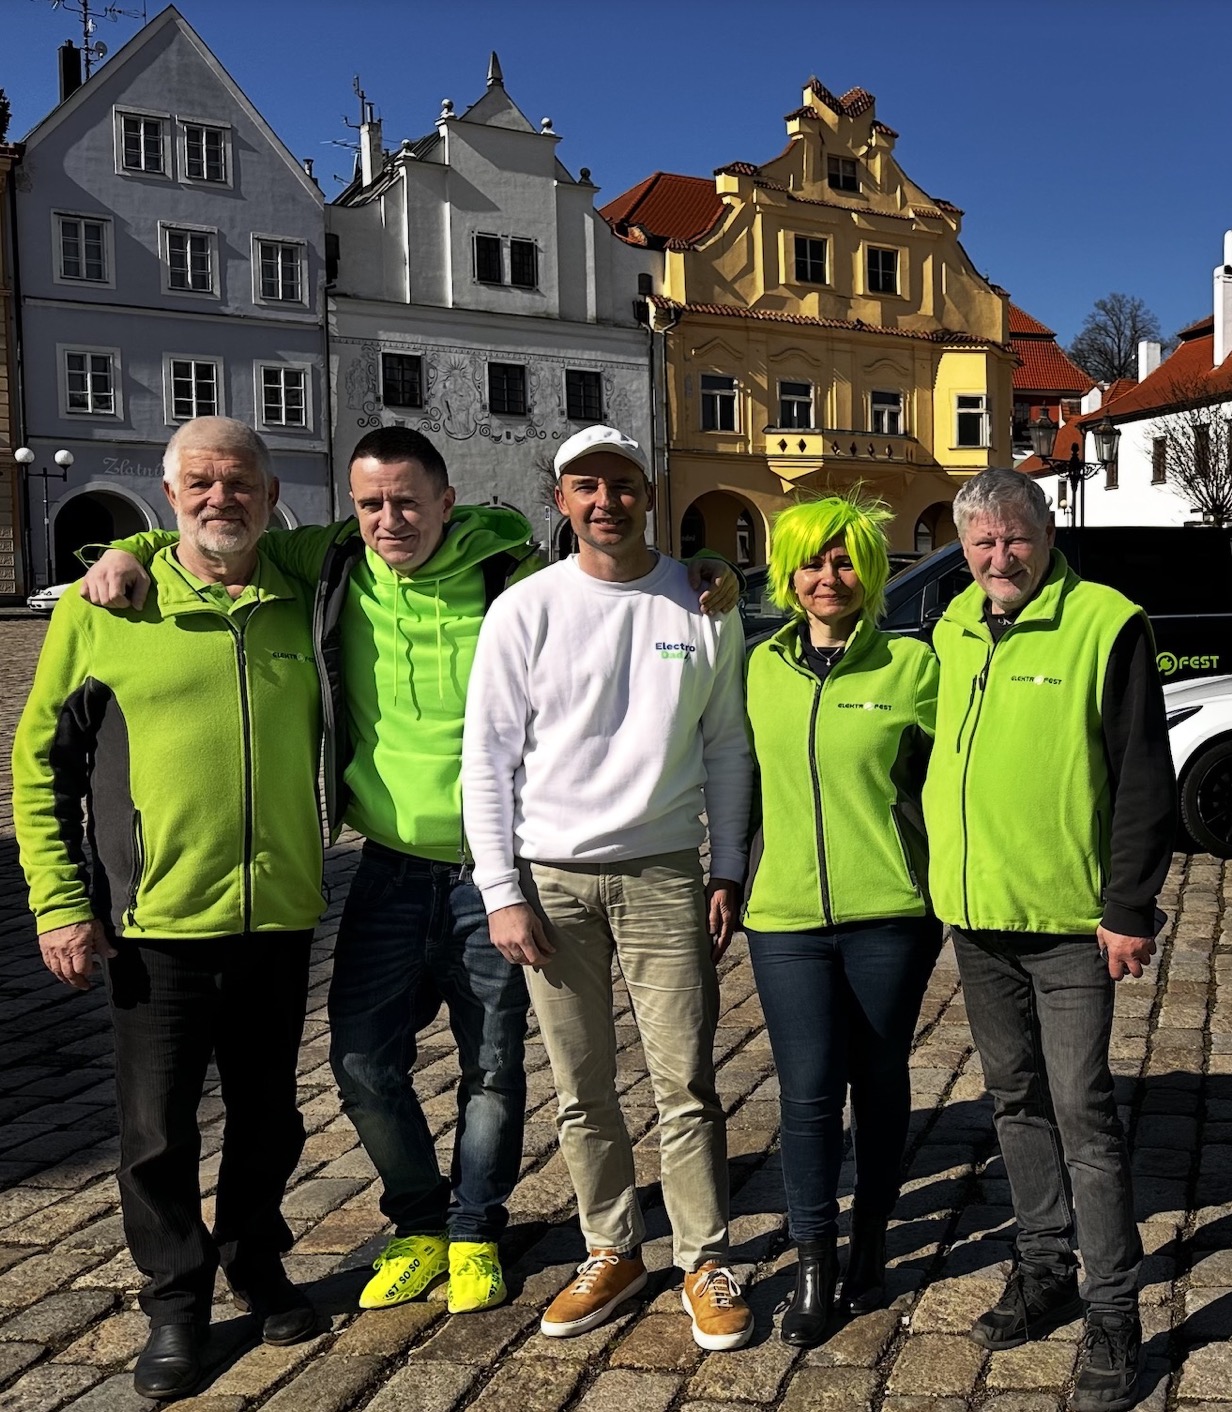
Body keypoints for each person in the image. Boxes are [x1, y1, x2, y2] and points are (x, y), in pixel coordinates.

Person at [78, 429, 741, 1318]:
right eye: (370, 504)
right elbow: (214, 524)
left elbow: (620, 583)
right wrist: (128, 547)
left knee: (496, 1068)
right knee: (360, 1061)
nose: (389, 519)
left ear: (445, 502)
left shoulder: (502, 573)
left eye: (407, 501)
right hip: (390, 866)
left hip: (497, 865)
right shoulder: (330, 566)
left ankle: (475, 1229)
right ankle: (422, 1220)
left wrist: (703, 568)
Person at [12, 419, 328, 1399]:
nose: (219, 497)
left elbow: (427, 523)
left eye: (239, 482)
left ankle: (256, 1260)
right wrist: (60, 903)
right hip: (155, 923)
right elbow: (40, 764)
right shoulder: (109, 608)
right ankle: (176, 1302)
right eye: (199, 482)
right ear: (170, 493)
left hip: (279, 913)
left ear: (271, 497)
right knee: (156, 1132)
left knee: (270, 1116)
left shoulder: (299, 591)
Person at [460, 425, 753, 1351]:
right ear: (561, 501)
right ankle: (612, 1248)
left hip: (663, 870)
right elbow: (487, 757)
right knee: (581, 1084)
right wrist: (500, 890)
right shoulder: (525, 609)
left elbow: (727, 744)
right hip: (551, 880)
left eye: (622, 485)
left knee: (686, 1081)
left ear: (649, 494)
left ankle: (704, 1257)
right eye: (586, 486)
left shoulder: (701, 601)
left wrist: (728, 865)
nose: (605, 502)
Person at [923, 470, 1175, 1412]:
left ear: (1048, 533)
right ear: (963, 549)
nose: (1001, 557)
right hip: (977, 915)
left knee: (1082, 1110)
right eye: (982, 543)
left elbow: (1143, 775)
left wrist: (1129, 907)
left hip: (1070, 921)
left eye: (1015, 538)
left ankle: (1113, 1310)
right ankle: (1042, 1266)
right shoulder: (951, 626)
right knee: (1014, 1099)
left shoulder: (1106, 623)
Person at [740, 495, 941, 1345]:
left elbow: (951, 783)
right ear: (788, 574)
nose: (830, 577)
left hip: (890, 912)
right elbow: (738, 781)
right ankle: (814, 1264)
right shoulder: (757, 667)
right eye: (813, 562)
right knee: (808, 1093)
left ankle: (872, 1243)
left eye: (846, 559)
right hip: (784, 915)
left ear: (872, 571)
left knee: (881, 1080)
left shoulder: (912, 666)